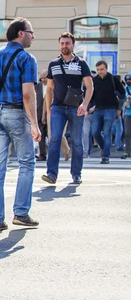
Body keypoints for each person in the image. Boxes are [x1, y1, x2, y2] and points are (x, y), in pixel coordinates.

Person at [0, 17, 41, 232]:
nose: (33, 36)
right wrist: (34, 123)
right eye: (31, 32)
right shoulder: (26, 58)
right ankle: (21, 213)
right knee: (26, 163)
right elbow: (27, 94)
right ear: (21, 33)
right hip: (16, 113)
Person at [42, 32, 94, 185]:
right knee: (54, 140)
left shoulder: (81, 64)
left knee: (77, 142)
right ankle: (51, 174)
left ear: (73, 45)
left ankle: (76, 174)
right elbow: (50, 88)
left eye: (67, 43)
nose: (65, 46)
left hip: (75, 108)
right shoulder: (53, 64)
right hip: (57, 107)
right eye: (62, 43)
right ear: (60, 45)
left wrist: (84, 105)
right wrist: (49, 108)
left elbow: (90, 86)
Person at [90, 60, 125, 164]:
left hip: (111, 109)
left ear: (106, 68)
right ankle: (104, 148)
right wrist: (88, 107)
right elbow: (91, 95)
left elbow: (122, 94)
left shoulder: (113, 79)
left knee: (107, 132)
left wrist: (119, 109)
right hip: (98, 109)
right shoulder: (94, 80)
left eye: (102, 69)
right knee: (95, 132)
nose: (100, 72)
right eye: (98, 70)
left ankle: (105, 156)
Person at [35, 70, 48, 161]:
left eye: (45, 77)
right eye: (42, 77)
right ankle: (42, 154)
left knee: (52, 136)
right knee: (41, 136)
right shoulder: (37, 87)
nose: (43, 79)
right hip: (39, 113)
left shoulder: (53, 86)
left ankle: (65, 151)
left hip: (51, 114)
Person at [123, 74, 131, 159]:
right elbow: (123, 101)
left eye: (130, 79)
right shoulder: (125, 89)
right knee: (127, 133)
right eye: (127, 79)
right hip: (128, 113)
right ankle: (127, 151)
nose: (128, 80)